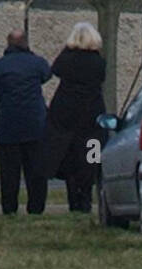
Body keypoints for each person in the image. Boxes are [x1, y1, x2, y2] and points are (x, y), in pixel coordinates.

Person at [0, 28, 51, 215]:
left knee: (9, 172)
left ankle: (9, 208)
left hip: (8, 123)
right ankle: (36, 208)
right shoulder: (38, 63)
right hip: (35, 123)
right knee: (36, 171)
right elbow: (47, 75)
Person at [42, 21, 107, 213]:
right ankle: (86, 196)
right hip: (91, 116)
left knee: (69, 157)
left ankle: (73, 199)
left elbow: (56, 69)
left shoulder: (66, 60)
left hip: (67, 114)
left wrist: (67, 49)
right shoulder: (98, 62)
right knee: (91, 156)